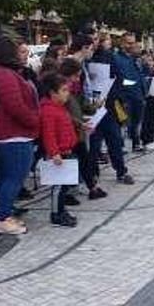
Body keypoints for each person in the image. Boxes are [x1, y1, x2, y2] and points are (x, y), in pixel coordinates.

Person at [0, 34, 40, 235]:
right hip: (15, 133)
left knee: (3, 175)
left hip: (5, 133)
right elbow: (15, 106)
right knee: (14, 177)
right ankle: (1, 217)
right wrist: (35, 120)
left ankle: (0, 212)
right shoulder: (3, 75)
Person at [58, 58, 107, 201]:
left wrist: (95, 106)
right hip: (68, 133)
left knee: (84, 160)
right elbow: (64, 113)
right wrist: (80, 123)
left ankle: (92, 187)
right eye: (75, 76)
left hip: (77, 131)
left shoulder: (75, 88)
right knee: (70, 163)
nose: (77, 79)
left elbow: (80, 107)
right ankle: (66, 194)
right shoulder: (62, 89)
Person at [38, 73, 79, 228]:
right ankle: (56, 213)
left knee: (65, 185)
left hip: (67, 151)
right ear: (53, 93)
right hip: (59, 154)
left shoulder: (60, 108)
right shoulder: (48, 110)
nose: (67, 93)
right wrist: (54, 152)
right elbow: (48, 134)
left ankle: (62, 209)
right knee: (58, 187)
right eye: (63, 90)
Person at [113, 33, 147, 152]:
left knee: (137, 121)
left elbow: (141, 75)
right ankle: (120, 145)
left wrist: (144, 89)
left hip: (138, 95)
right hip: (125, 95)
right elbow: (119, 78)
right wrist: (131, 84)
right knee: (124, 121)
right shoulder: (116, 58)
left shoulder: (136, 59)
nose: (132, 45)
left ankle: (136, 142)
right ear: (122, 43)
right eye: (129, 43)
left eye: (133, 43)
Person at [140, 51, 154, 149]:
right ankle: (146, 141)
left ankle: (151, 140)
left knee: (152, 120)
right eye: (148, 60)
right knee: (147, 120)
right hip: (148, 98)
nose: (150, 62)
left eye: (151, 60)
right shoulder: (144, 71)